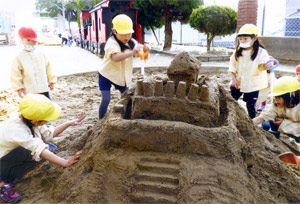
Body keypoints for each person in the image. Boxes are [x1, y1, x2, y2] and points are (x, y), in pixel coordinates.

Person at [0, 94, 85, 203]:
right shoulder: (17, 129)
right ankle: (2, 185)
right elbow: (39, 148)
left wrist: (69, 123)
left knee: (44, 148)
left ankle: (12, 173)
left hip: (9, 157)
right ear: (35, 121)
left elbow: (50, 134)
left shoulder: (29, 118)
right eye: (46, 120)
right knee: (37, 151)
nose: (47, 121)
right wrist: (65, 162)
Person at [98, 14, 150, 119]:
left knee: (127, 97)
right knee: (106, 99)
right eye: (123, 34)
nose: (126, 37)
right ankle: (101, 120)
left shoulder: (132, 43)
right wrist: (132, 52)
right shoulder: (111, 43)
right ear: (114, 31)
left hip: (121, 77)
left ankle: (127, 116)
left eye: (129, 33)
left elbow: (140, 54)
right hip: (106, 75)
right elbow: (116, 58)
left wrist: (145, 50)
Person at [228, 24, 272, 119]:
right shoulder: (237, 52)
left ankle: (251, 120)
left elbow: (263, 66)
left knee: (250, 104)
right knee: (231, 100)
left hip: (253, 84)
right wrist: (233, 79)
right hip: (238, 82)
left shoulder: (261, 52)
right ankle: (230, 117)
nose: (242, 41)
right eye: (240, 39)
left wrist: (267, 66)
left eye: (245, 38)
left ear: (254, 38)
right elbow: (232, 66)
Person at [10, 27, 57, 99]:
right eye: (28, 40)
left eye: (33, 41)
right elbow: (15, 73)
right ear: (21, 40)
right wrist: (19, 87)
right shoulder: (19, 57)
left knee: (48, 106)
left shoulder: (41, 54)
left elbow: (49, 68)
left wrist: (52, 81)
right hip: (30, 90)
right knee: (33, 108)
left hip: (43, 88)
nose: (31, 43)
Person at [253, 76, 300, 142]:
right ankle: (276, 141)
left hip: (297, 131)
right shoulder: (277, 104)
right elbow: (266, 115)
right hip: (287, 128)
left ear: (292, 95)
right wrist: (249, 123)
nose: (276, 100)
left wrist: (284, 123)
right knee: (266, 124)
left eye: (279, 97)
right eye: (275, 97)